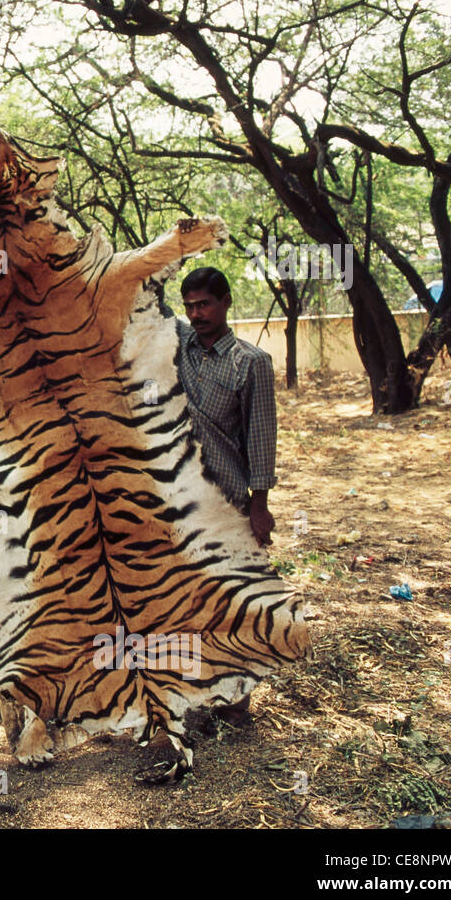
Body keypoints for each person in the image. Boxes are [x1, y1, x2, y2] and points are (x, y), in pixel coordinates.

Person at [176, 267, 278, 724]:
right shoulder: (177, 349)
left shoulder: (250, 362)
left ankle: (237, 699)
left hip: (230, 499)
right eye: (191, 305)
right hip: (179, 495)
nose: (197, 314)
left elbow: (260, 437)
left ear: (226, 302)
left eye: (205, 304)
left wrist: (259, 506)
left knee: (233, 598)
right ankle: (192, 690)